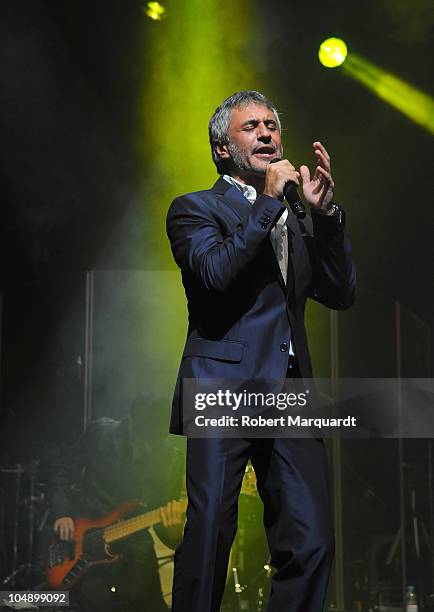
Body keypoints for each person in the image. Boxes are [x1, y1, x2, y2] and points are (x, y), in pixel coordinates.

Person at [166, 90, 356, 612]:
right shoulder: (194, 209)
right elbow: (214, 274)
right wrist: (270, 204)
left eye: (272, 124)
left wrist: (326, 216)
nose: (268, 133)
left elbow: (340, 293)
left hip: (289, 390)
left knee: (313, 540)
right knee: (209, 541)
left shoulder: (295, 216)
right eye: (252, 127)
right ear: (223, 149)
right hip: (223, 387)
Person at [48, 397, 184, 612]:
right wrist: (62, 514)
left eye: (156, 439)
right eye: (142, 437)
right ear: (131, 422)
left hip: (134, 543)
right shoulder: (101, 433)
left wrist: (174, 532)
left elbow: (163, 521)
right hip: (85, 540)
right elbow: (61, 472)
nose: (148, 446)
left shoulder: (171, 459)